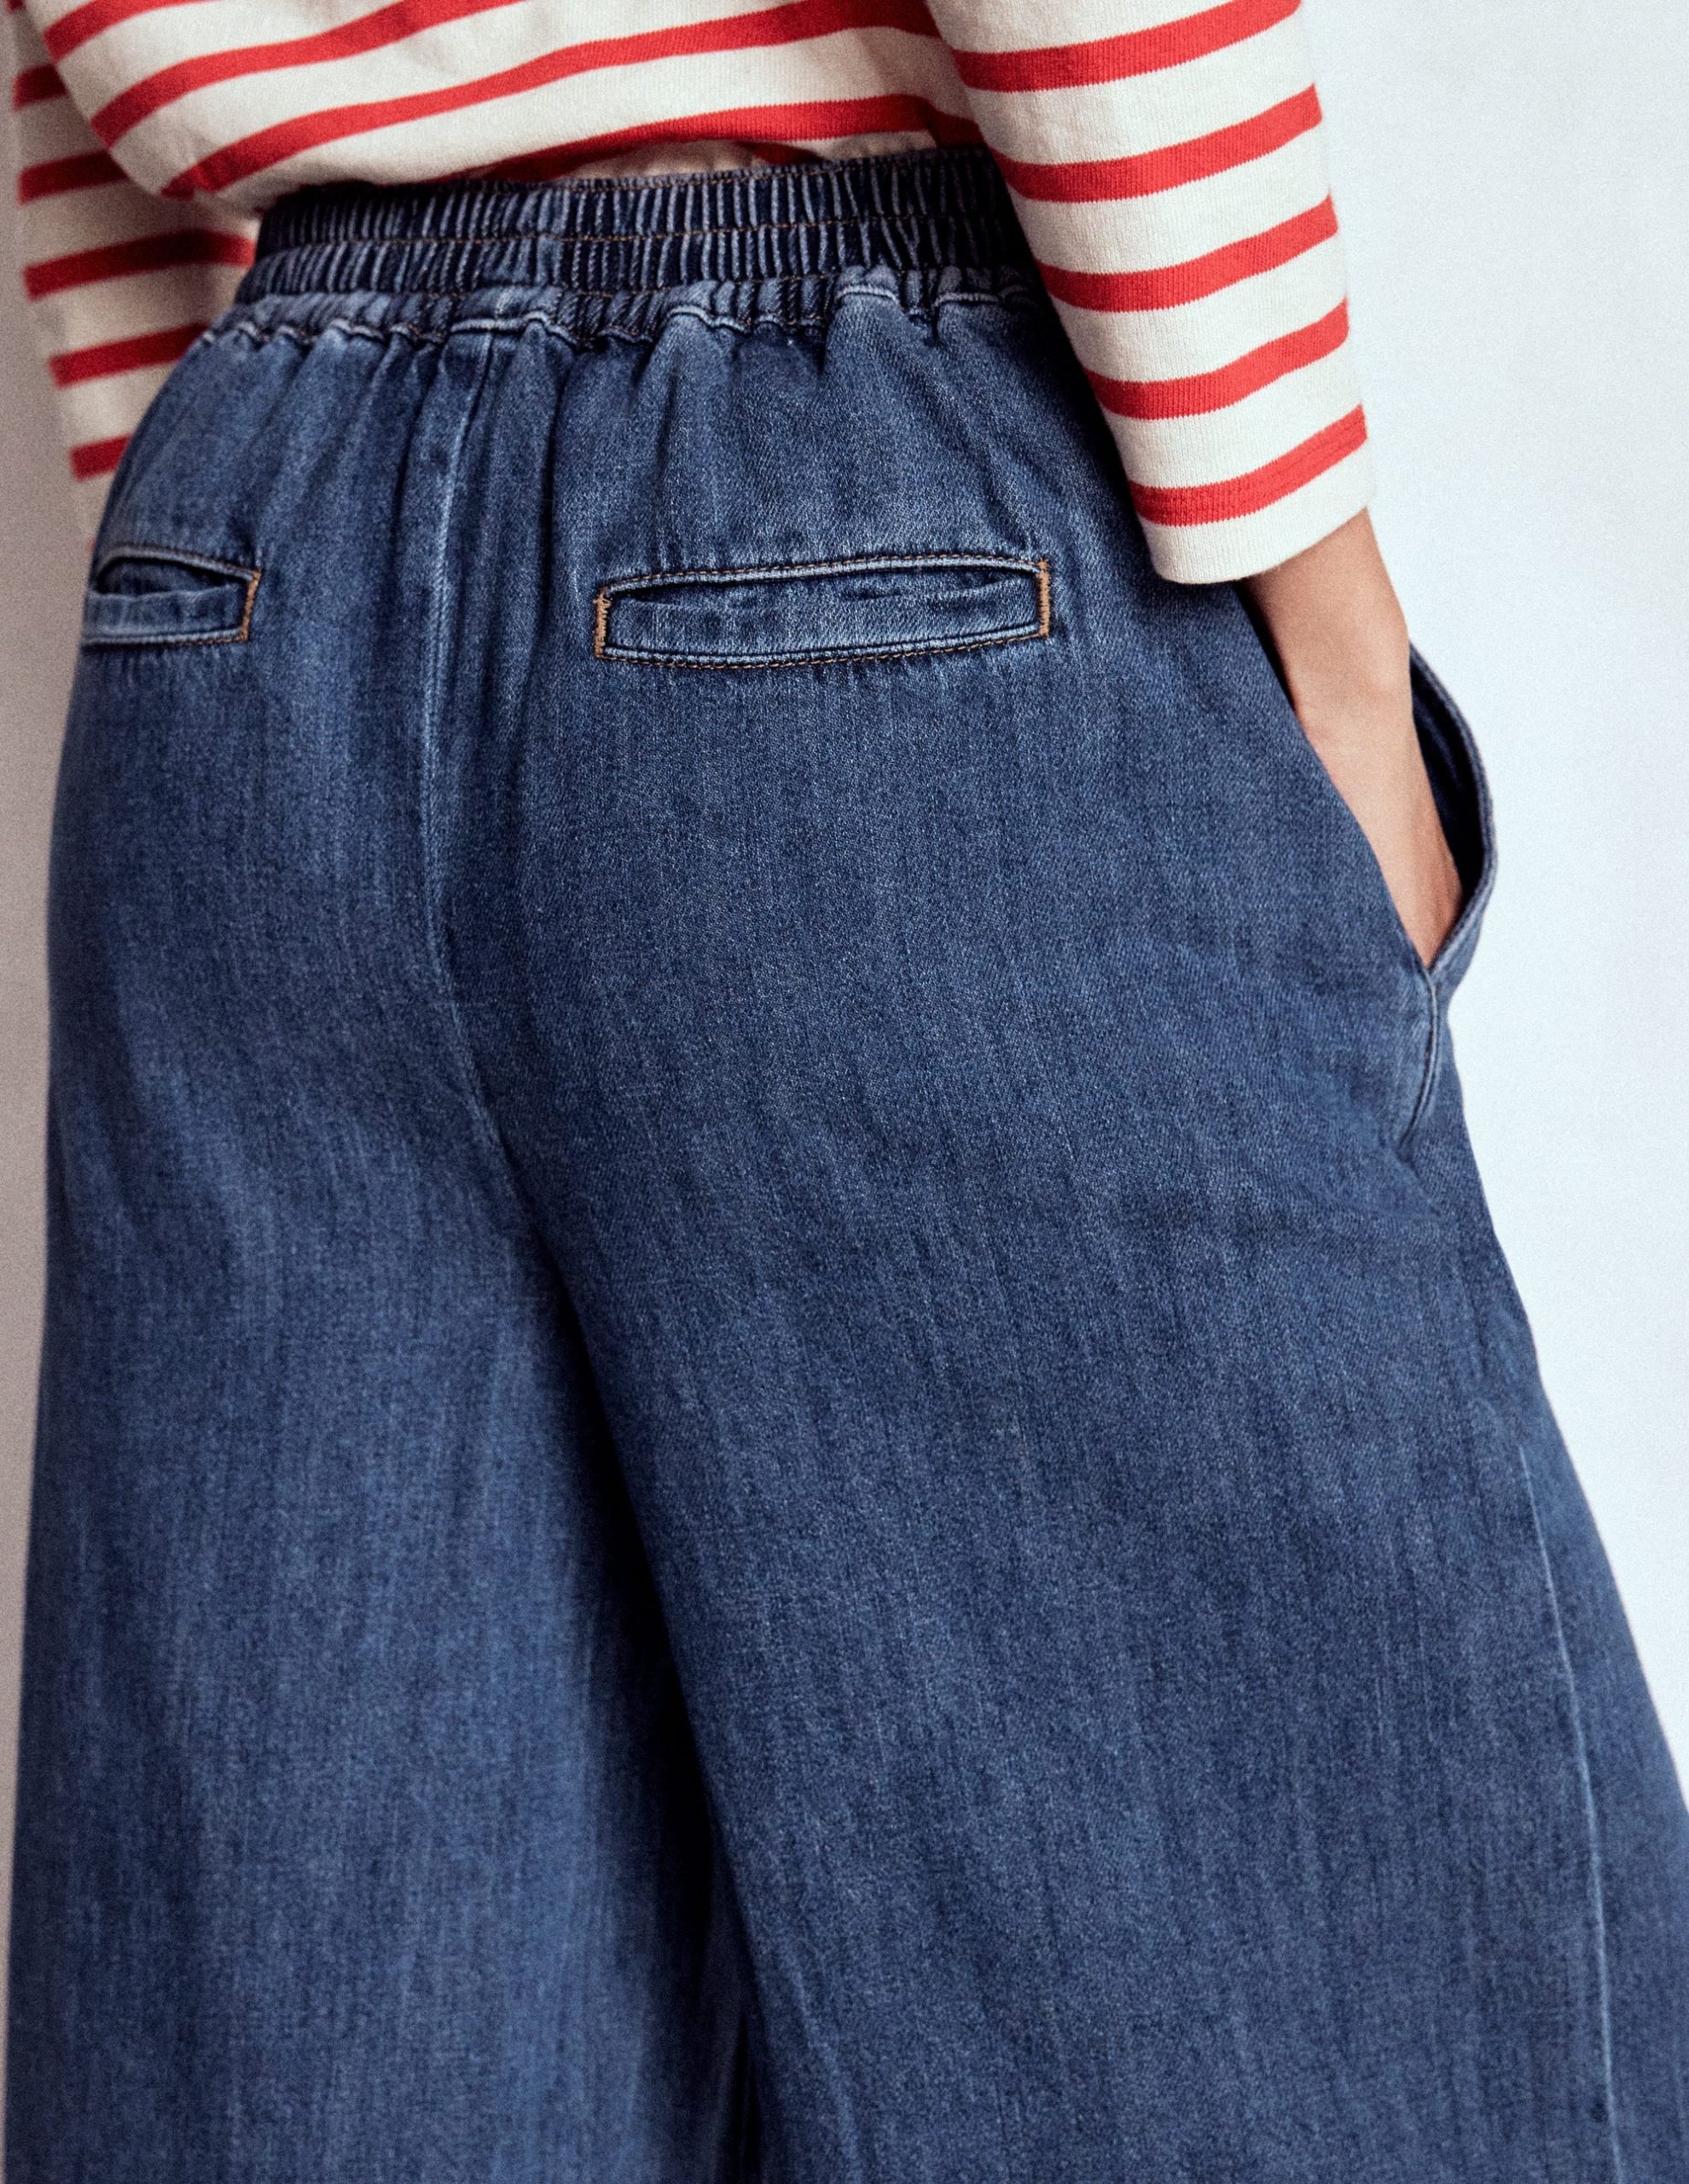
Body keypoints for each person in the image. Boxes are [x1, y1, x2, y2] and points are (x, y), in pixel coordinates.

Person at [5, 5, 1686, 2180]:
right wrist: (1339, 644)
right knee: (1293, 2011)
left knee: (311, 2051)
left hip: (242, 586)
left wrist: (232, 570)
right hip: (853, 507)